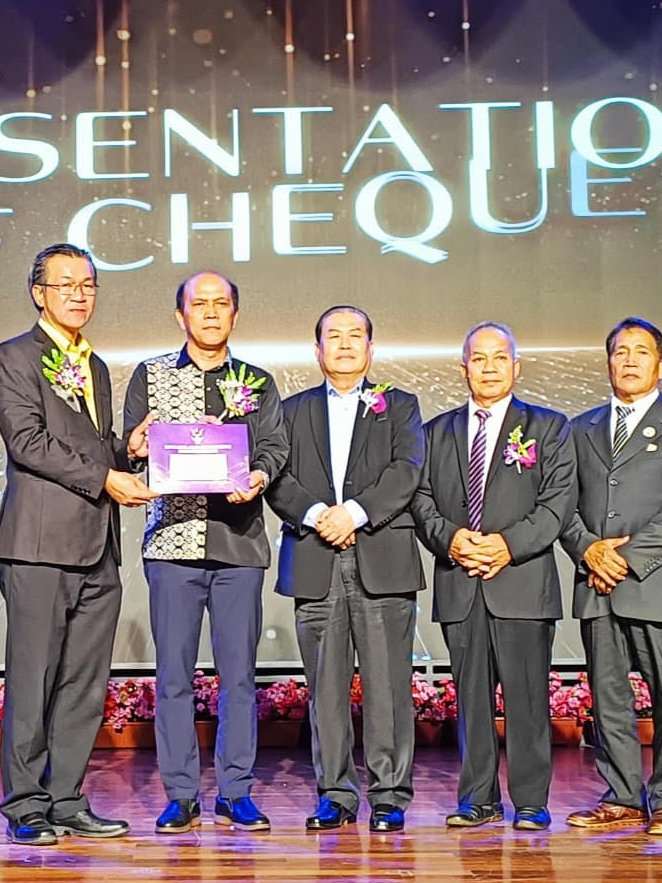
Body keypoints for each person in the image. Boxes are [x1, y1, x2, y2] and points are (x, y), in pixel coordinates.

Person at [0, 243, 152, 846]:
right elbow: (27, 442)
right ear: (39, 293)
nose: (79, 295)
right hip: (39, 545)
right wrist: (107, 476)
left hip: (97, 544)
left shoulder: (96, 365)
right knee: (34, 678)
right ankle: (25, 804)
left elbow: (90, 446)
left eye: (88, 285)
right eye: (65, 285)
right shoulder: (14, 357)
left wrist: (127, 451)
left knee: (84, 681)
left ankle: (66, 798)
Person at [122, 271, 291, 835]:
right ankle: (180, 794)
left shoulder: (256, 381)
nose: (212, 312)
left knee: (238, 676)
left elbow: (274, 446)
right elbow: (132, 449)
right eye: (200, 304)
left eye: (222, 304)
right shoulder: (151, 376)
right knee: (173, 674)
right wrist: (134, 447)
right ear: (181, 316)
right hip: (172, 542)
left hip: (237, 542)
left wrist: (259, 474)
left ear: (235, 314)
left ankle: (236, 791)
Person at [266, 306, 425, 834]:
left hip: (381, 557)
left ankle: (388, 795)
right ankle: (334, 794)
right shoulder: (291, 411)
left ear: (371, 348)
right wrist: (319, 515)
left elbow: (406, 472)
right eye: (333, 336)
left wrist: (354, 513)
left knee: (388, 686)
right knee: (326, 689)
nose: (345, 344)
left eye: (356, 335)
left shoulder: (399, 406)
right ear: (317, 350)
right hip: (316, 558)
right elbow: (277, 477)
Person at [410, 323, 574, 830]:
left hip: (521, 580)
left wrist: (506, 546)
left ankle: (530, 800)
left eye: (499, 358)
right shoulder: (436, 432)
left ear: (515, 367)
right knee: (471, 699)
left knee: (527, 699)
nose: (488, 368)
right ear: (464, 369)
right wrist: (452, 540)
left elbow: (557, 503)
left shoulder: (549, 427)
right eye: (478, 359)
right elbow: (421, 500)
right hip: (461, 581)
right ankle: (477, 798)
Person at [562, 319, 662, 838]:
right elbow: (563, 503)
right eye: (620, 351)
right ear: (608, 363)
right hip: (596, 583)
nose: (629, 360)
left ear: (660, 365)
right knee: (608, 698)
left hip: (657, 583)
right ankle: (622, 797)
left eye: (641, 352)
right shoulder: (580, 427)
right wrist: (588, 549)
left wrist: (624, 558)